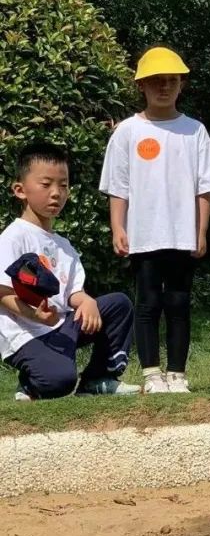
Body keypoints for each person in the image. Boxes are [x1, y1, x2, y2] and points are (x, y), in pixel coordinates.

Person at [99, 46, 210, 394]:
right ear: (141, 85)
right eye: (155, 81)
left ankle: (177, 374)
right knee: (148, 303)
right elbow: (118, 185)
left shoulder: (194, 131)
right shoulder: (128, 131)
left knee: (178, 303)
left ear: (181, 85)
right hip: (144, 234)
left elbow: (206, 187)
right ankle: (152, 374)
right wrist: (118, 227)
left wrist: (200, 231)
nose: (163, 87)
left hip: (182, 234)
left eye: (171, 81)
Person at [1, 143, 139, 400]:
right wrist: (34, 314)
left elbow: (73, 291)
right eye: (46, 184)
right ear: (20, 190)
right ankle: (31, 384)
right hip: (27, 334)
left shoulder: (64, 246)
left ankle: (99, 378)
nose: (56, 193)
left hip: (62, 325)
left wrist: (86, 301)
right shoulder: (13, 237)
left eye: (63, 185)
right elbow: (2, 292)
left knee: (118, 304)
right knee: (60, 382)